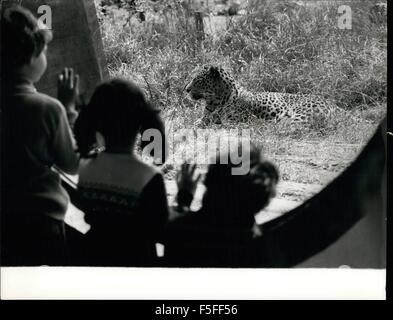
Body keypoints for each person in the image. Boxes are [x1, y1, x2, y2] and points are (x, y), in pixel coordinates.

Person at [1, 5, 80, 266]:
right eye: (44, 50)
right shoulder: (48, 109)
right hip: (42, 220)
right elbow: (71, 163)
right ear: (30, 57)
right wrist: (68, 110)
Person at [73, 79, 170, 266]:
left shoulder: (85, 167)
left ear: (96, 123)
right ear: (141, 123)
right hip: (135, 261)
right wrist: (184, 198)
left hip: (91, 256)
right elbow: (160, 230)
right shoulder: (148, 177)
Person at [163, 145, 279, 267]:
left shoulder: (180, 233)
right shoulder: (261, 249)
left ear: (208, 180)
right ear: (261, 202)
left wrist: (184, 197)